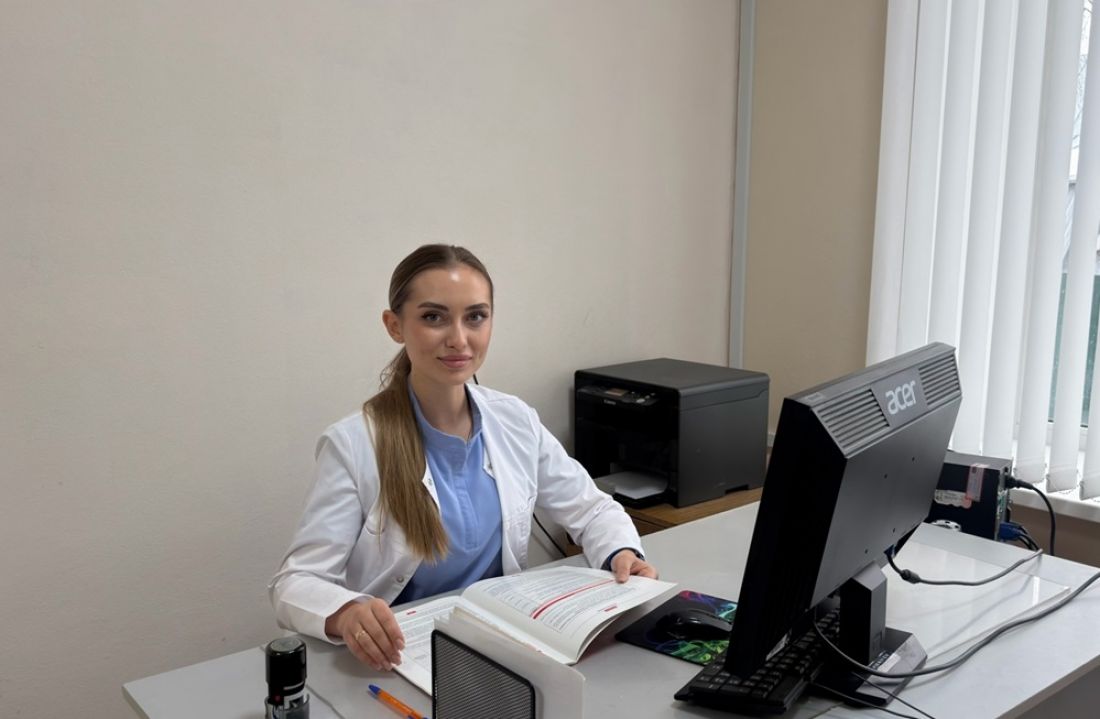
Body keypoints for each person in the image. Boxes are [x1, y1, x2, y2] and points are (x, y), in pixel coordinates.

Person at [269, 244, 656, 672]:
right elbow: (296, 582)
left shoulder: (514, 420)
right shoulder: (354, 443)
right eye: (433, 317)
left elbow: (592, 509)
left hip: (500, 647)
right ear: (395, 326)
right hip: (401, 659)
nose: (459, 339)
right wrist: (347, 613)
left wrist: (620, 552)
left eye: (475, 317)